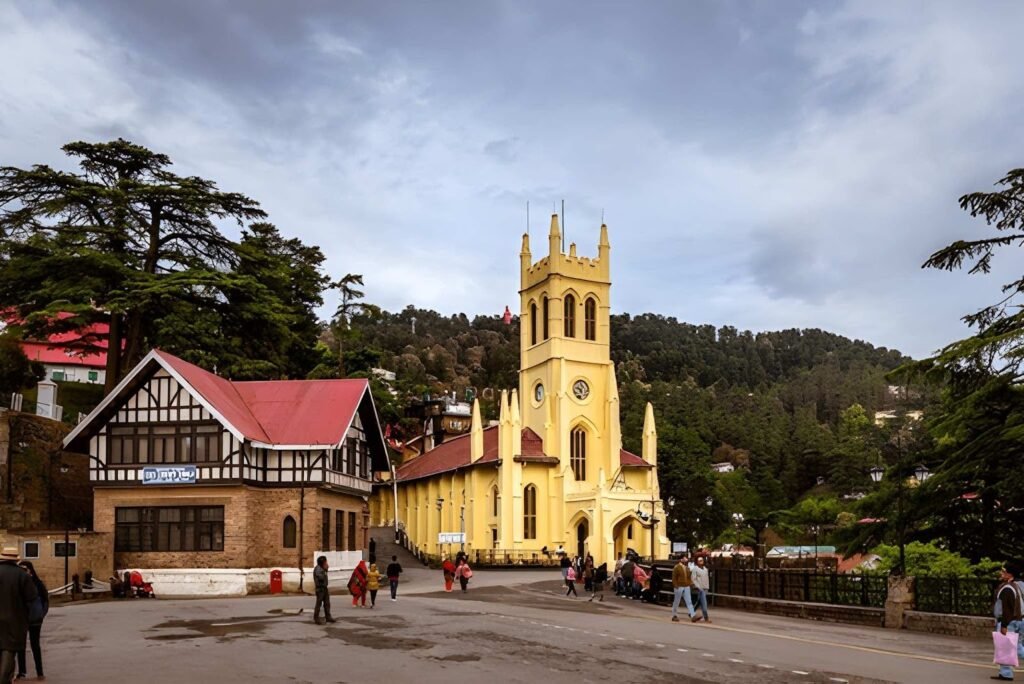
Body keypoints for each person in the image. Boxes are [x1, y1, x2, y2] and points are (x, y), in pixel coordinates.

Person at [0, 546, 37, 683]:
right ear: (16, 560)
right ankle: (4, 679)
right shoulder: (22, 575)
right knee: (9, 652)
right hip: (15, 621)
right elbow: (32, 597)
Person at [16, 561, 47, 680]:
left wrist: (41, 614)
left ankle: (39, 671)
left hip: (35, 620)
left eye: (25, 569)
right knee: (20, 646)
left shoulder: (38, 584)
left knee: (35, 645)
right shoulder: (18, 583)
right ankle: (22, 671)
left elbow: (45, 600)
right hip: (22, 619)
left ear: (30, 569)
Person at [993, 562, 1024, 681]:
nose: (1001, 573)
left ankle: (1006, 673)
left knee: (1011, 647)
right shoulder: (1020, 585)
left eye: (1003, 571)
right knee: (1010, 647)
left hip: (1009, 622)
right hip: (1020, 620)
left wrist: (1004, 625)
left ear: (1009, 574)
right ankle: (1005, 673)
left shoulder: (1007, 588)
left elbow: (1006, 609)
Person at [671, 555, 695, 623]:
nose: (686, 559)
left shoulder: (687, 567)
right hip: (679, 586)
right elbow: (674, 577)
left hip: (686, 586)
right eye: (685, 558)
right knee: (676, 601)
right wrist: (676, 586)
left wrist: (690, 583)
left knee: (689, 601)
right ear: (681, 559)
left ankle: (693, 615)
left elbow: (689, 577)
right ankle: (674, 615)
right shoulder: (677, 567)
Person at [313, 555, 336, 625]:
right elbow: (321, 578)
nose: (327, 563)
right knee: (319, 604)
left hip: (324, 588)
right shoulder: (318, 569)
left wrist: (325, 569)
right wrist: (325, 569)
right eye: (325, 562)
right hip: (320, 589)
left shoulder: (322, 568)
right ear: (322, 563)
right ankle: (316, 618)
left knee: (327, 603)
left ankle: (328, 617)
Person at [691, 555, 711, 623]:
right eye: (699, 560)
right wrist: (698, 587)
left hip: (705, 588)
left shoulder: (705, 569)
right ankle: (706, 617)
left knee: (699, 602)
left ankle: (691, 612)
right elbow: (693, 579)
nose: (701, 561)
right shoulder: (695, 569)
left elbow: (707, 579)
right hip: (700, 589)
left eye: (702, 560)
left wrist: (707, 587)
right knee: (704, 604)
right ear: (697, 562)